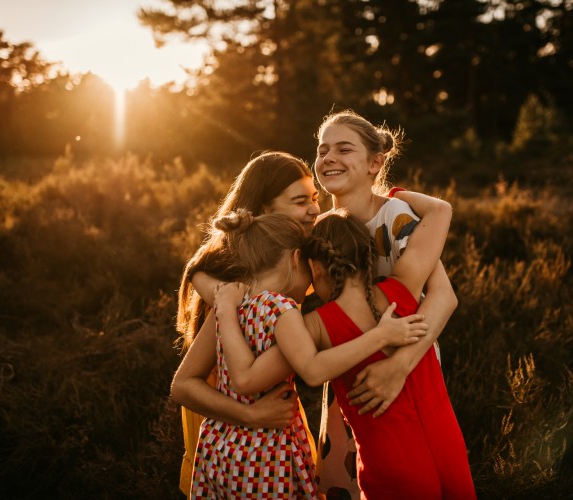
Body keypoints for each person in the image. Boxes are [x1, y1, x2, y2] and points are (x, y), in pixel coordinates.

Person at [192, 210, 427, 498]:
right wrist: (381, 335)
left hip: (218, 445)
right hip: (262, 452)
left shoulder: (236, 303)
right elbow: (313, 369)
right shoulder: (281, 308)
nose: (312, 281)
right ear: (295, 259)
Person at [312, 109, 460, 497]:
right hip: (349, 372)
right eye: (322, 150)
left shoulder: (393, 216)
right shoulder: (321, 228)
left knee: (409, 478)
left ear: (375, 163)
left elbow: (443, 297)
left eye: (344, 149)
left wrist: (398, 367)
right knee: (347, 479)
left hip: (408, 368)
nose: (329, 158)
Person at [172, 151, 322, 496]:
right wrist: (250, 416)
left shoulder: (298, 261)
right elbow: (185, 385)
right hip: (225, 419)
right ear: (265, 211)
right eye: (300, 201)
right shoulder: (239, 288)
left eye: (315, 197)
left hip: (273, 437)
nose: (314, 209)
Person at [306, 210, 476, 498]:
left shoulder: (317, 325)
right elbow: (440, 210)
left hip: (391, 468)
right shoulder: (403, 286)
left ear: (315, 268)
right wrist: (395, 196)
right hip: (449, 449)